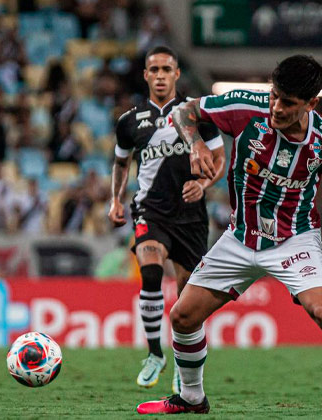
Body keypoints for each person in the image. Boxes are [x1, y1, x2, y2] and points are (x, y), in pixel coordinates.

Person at [136, 55, 322, 415]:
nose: (276, 107)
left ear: (311, 104)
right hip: (240, 236)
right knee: (183, 317)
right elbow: (185, 111)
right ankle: (191, 398)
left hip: (294, 239)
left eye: (289, 102)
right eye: (274, 95)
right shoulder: (245, 106)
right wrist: (196, 144)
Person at [108, 46, 226, 394]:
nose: (160, 75)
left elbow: (219, 158)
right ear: (146, 75)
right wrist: (115, 200)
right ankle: (154, 353)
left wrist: (203, 184)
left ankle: (180, 364)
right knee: (150, 267)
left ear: (177, 74)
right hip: (150, 209)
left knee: (187, 298)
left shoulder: (196, 113)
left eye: (166, 69)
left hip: (190, 217)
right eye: (154, 69)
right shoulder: (129, 121)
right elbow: (121, 162)